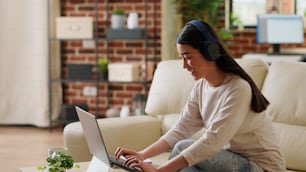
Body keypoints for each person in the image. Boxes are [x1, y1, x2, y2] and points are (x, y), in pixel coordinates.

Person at [115, 20, 286, 172]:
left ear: (210, 51)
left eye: (188, 57)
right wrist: (142, 154)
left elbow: (212, 142)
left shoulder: (238, 88)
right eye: (181, 58)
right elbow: (181, 129)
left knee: (183, 148)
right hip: (231, 160)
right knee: (187, 167)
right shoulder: (201, 87)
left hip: (261, 167)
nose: (184, 65)